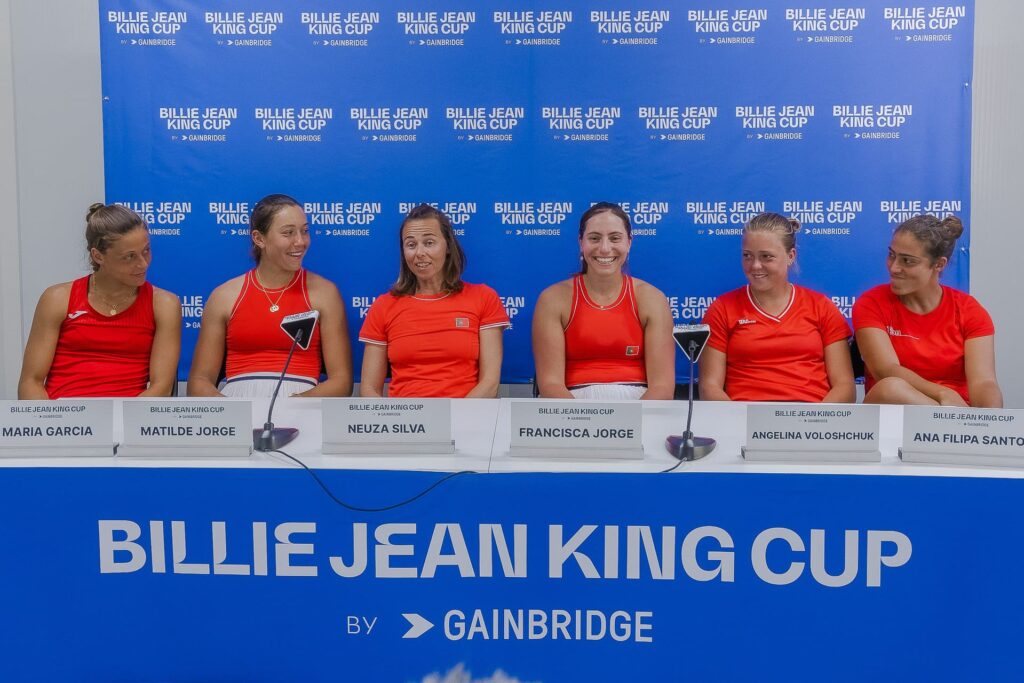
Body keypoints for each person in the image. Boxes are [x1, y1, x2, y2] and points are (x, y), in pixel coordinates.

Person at [187, 194, 352, 397]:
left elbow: (342, 382)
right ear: (259, 238)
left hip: (302, 405)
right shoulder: (224, 296)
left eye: (305, 231)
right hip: (237, 404)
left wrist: (295, 404)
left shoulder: (325, 293)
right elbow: (199, 382)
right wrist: (231, 409)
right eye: (288, 233)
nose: (300, 241)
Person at [18, 203, 181, 399]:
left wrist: (123, 417)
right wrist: (52, 418)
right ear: (98, 256)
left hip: (130, 413)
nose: (143, 263)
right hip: (64, 413)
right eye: (129, 257)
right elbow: (31, 382)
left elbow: (161, 388)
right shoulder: (57, 299)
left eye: (146, 250)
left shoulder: (164, 304)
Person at [700, 212, 854, 402]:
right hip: (744, 416)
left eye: (766, 257)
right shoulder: (722, 309)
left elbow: (845, 386)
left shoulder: (822, 307)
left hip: (811, 415)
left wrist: (816, 418)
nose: (755, 265)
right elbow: (709, 387)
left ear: (791, 256)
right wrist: (737, 417)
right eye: (747, 256)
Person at [359, 204, 509, 398]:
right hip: (405, 416)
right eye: (411, 245)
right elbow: (369, 389)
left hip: (467, 414)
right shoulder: (384, 306)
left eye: (429, 242)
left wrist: (456, 416)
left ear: (448, 246)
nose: (419, 252)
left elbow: (489, 383)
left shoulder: (483, 297)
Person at [853, 214, 1002, 407]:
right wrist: (942, 394)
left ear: (939, 264)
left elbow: (984, 382)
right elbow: (885, 370)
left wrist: (989, 420)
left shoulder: (969, 310)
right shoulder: (871, 303)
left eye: (907, 261)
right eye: (891, 255)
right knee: (890, 388)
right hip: (896, 411)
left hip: (958, 411)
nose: (894, 267)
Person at [532, 202, 675, 400]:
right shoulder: (552, 299)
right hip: (570, 408)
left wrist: (628, 419)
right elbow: (550, 384)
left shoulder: (652, 299)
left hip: (640, 406)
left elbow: (662, 387)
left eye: (615, 238)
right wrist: (585, 418)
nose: (605, 248)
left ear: (629, 242)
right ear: (581, 242)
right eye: (594, 238)